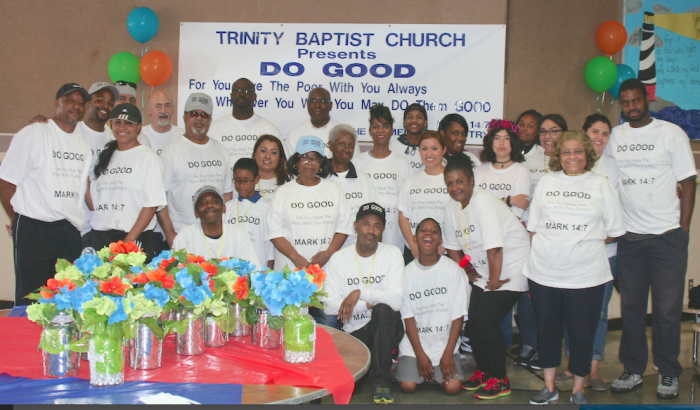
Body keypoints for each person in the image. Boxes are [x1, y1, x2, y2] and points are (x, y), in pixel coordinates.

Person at [607, 79, 696, 399]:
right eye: (626, 102)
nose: (631, 107)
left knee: (667, 309)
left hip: (667, 238)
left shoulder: (671, 133)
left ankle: (669, 372)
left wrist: (682, 230)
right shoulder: (616, 137)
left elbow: (688, 181)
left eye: (636, 101)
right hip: (631, 239)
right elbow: (610, 183)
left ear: (647, 100)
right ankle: (632, 369)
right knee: (631, 308)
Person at [525, 131, 625, 405]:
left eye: (578, 151)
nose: (572, 156)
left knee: (582, 333)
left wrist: (581, 240)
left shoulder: (601, 183)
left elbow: (615, 230)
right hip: (545, 274)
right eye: (566, 151)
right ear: (558, 155)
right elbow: (533, 227)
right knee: (547, 331)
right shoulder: (546, 181)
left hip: (587, 276)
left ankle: (579, 387)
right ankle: (549, 386)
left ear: (587, 155)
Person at [442, 155, 530, 400]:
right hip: (486, 271)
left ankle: (501, 380)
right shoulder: (451, 206)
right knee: (474, 322)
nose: (455, 188)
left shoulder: (483, 202)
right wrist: (468, 271)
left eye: (460, 181)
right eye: (449, 183)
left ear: (471, 181)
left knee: (485, 321)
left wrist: (494, 280)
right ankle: (484, 371)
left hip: (510, 268)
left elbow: (496, 248)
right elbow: (452, 247)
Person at [0, 83, 92, 305]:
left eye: (81, 102)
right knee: (31, 297)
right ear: (56, 103)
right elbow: (6, 181)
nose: (75, 106)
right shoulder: (34, 133)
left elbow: (80, 192)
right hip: (34, 228)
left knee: (65, 298)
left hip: (68, 231)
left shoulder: (83, 146)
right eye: (69, 100)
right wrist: (17, 218)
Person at [556, 113, 620, 392]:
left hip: (605, 253)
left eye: (605, 133)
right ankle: (574, 365)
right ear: (583, 134)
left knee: (599, 314)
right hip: (571, 254)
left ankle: (593, 368)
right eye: (595, 131)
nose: (599, 138)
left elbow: (617, 214)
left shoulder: (613, 169)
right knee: (573, 313)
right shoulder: (567, 167)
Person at [322, 202, 405, 404]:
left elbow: (396, 300)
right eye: (366, 224)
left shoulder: (392, 254)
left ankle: (381, 381)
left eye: (377, 226)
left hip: (385, 329)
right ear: (355, 226)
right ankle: (368, 367)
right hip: (354, 334)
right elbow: (328, 305)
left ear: (383, 229)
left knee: (384, 311)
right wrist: (364, 304)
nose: (371, 230)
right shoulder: (339, 259)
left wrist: (358, 293)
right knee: (350, 388)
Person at [267, 135, 353, 326]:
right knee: (291, 330)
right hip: (291, 273)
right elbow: (274, 233)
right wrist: (297, 259)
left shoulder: (333, 189)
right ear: (296, 161)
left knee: (329, 333)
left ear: (322, 163)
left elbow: (344, 227)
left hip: (326, 272)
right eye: (304, 157)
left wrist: (328, 254)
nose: (309, 163)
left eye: (315, 158)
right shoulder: (283, 192)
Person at [397, 218, 468, 396]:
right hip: (415, 348)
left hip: (445, 345)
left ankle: (440, 366)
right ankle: (418, 368)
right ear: (414, 238)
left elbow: (458, 317)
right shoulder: (405, 274)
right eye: (423, 230)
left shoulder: (454, 270)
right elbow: (408, 319)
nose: (428, 233)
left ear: (441, 240)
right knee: (407, 386)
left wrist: (448, 354)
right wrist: (420, 355)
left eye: (434, 231)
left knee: (453, 388)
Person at [86, 104, 167, 260]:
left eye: (128, 123)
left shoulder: (147, 157)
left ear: (138, 127)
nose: (122, 127)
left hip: (133, 240)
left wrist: (128, 241)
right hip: (100, 239)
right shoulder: (105, 157)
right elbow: (93, 203)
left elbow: (152, 204)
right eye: (117, 122)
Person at [158, 92, 234, 246]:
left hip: (217, 238)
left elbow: (227, 195)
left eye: (204, 115)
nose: (199, 118)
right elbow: (160, 198)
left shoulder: (221, 149)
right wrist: (170, 233)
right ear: (185, 117)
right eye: (193, 113)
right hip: (182, 235)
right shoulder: (172, 150)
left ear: (210, 120)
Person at [355, 104, 411, 250]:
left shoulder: (402, 163)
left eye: (385, 126)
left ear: (392, 130)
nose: (380, 130)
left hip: (394, 233)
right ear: (370, 131)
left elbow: (407, 202)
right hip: (365, 232)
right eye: (376, 126)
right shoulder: (358, 162)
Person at [173, 186, 261, 268]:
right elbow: (176, 273)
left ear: (223, 208)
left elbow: (252, 270)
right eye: (203, 203)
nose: (209, 205)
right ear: (196, 212)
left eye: (214, 201)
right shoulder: (186, 235)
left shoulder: (238, 233)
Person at [398, 131, 450, 263]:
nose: (429, 154)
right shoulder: (411, 180)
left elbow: (460, 215)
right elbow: (403, 215)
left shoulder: (452, 179)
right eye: (424, 149)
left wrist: (445, 245)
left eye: (434, 148)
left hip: (446, 250)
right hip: (415, 251)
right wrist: (412, 244)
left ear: (443, 150)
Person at [209, 78, 283, 171]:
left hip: (259, 185)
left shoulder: (270, 129)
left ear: (255, 96)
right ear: (231, 96)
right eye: (237, 90)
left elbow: (282, 166)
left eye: (247, 90)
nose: (242, 94)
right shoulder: (214, 128)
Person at [327, 124, 378, 248]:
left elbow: (375, 215)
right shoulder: (320, 177)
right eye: (342, 144)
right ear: (330, 145)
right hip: (325, 248)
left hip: (357, 248)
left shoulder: (363, 178)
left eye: (351, 145)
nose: (346, 149)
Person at [224, 158, 275, 269]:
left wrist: (269, 271)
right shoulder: (228, 207)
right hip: (231, 269)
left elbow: (271, 246)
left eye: (246, 181)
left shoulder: (267, 207)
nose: (241, 185)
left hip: (258, 268)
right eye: (237, 180)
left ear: (256, 179)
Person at [475, 119, 531, 218]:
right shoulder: (480, 170)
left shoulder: (522, 171)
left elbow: (517, 213)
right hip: (482, 227)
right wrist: (508, 201)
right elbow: (475, 205)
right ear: (491, 142)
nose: (501, 143)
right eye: (497, 138)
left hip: (510, 230)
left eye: (506, 138)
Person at [284, 87, 360, 157]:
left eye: (323, 101)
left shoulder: (345, 134)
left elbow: (355, 164)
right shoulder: (294, 134)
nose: (317, 105)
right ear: (307, 105)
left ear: (330, 105)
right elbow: (289, 167)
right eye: (313, 101)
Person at [141, 89, 185, 156]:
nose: (163, 111)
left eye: (167, 106)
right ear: (149, 110)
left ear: (173, 109)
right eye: (158, 106)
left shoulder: (182, 136)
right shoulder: (140, 135)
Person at [389, 103, 428, 172]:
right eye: (410, 117)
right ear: (404, 121)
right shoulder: (392, 146)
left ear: (425, 122)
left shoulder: (431, 148)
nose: (414, 121)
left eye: (419, 117)